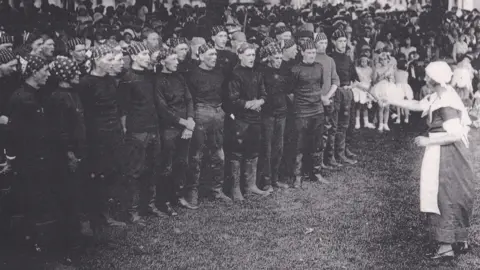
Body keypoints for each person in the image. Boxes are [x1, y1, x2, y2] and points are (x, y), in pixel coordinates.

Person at [388, 61, 474, 260]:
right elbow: (419, 105)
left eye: (427, 76)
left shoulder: (446, 103)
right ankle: (458, 239)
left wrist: (428, 140)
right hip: (443, 150)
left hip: (448, 154)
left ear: (433, 79)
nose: (424, 78)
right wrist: (391, 101)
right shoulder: (440, 95)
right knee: (448, 194)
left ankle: (446, 246)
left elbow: (454, 134)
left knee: (443, 194)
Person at [78, 45, 127, 230]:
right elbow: (84, 112)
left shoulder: (111, 81)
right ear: (96, 61)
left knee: (110, 172)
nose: (111, 63)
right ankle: (92, 215)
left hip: (113, 132)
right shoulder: (86, 83)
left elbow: (117, 106)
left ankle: (106, 213)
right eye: (108, 59)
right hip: (96, 135)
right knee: (95, 174)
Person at [118, 42, 163, 225]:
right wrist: (126, 131)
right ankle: (132, 211)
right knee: (135, 172)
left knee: (152, 168)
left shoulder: (150, 76)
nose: (148, 57)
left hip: (153, 128)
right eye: (144, 54)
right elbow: (122, 109)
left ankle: (149, 205)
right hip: (137, 131)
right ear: (134, 57)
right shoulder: (127, 78)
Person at [154, 47, 198, 215]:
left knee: (182, 163)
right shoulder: (158, 81)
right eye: (173, 59)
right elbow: (162, 109)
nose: (177, 62)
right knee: (167, 165)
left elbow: (189, 99)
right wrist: (183, 122)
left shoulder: (179, 77)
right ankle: (163, 201)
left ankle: (177, 196)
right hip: (170, 129)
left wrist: (191, 120)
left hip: (186, 126)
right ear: (163, 62)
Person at [187, 43, 232, 204]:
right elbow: (189, 99)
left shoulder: (219, 73)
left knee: (218, 154)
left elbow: (225, 94)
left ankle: (217, 190)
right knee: (197, 155)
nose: (214, 58)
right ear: (200, 56)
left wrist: (224, 111)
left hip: (218, 113)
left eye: (215, 55)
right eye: (210, 55)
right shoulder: (192, 75)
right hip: (200, 113)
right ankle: (193, 192)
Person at [226, 43, 270, 201]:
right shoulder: (235, 74)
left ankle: (250, 186)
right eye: (248, 55)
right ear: (240, 55)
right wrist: (250, 104)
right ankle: (235, 189)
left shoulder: (257, 73)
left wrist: (259, 102)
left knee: (253, 151)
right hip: (240, 120)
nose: (251, 58)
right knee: (237, 153)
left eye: (253, 55)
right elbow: (232, 99)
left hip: (255, 119)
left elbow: (264, 94)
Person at [291, 40, 326, 188]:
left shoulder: (320, 67)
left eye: (314, 52)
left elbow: (320, 85)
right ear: (302, 52)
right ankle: (297, 176)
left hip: (318, 111)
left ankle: (316, 173)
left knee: (317, 143)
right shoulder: (295, 70)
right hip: (301, 112)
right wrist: (300, 105)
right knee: (299, 144)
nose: (312, 55)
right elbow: (290, 92)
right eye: (309, 52)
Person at [257, 43, 290, 192]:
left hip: (281, 113)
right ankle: (265, 181)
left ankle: (275, 179)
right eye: (276, 58)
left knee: (279, 148)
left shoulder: (283, 71)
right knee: (267, 148)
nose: (279, 61)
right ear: (269, 58)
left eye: (280, 58)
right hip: (267, 115)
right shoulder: (262, 72)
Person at [326, 28, 358, 167]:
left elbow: (354, 78)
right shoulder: (330, 58)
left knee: (345, 124)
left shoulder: (348, 58)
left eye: (345, 41)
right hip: (335, 93)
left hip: (346, 93)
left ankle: (341, 152)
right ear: (333, 42)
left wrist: (350, 87)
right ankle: (330, 156)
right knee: (334, 125)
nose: (343, 44)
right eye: (340, 41)